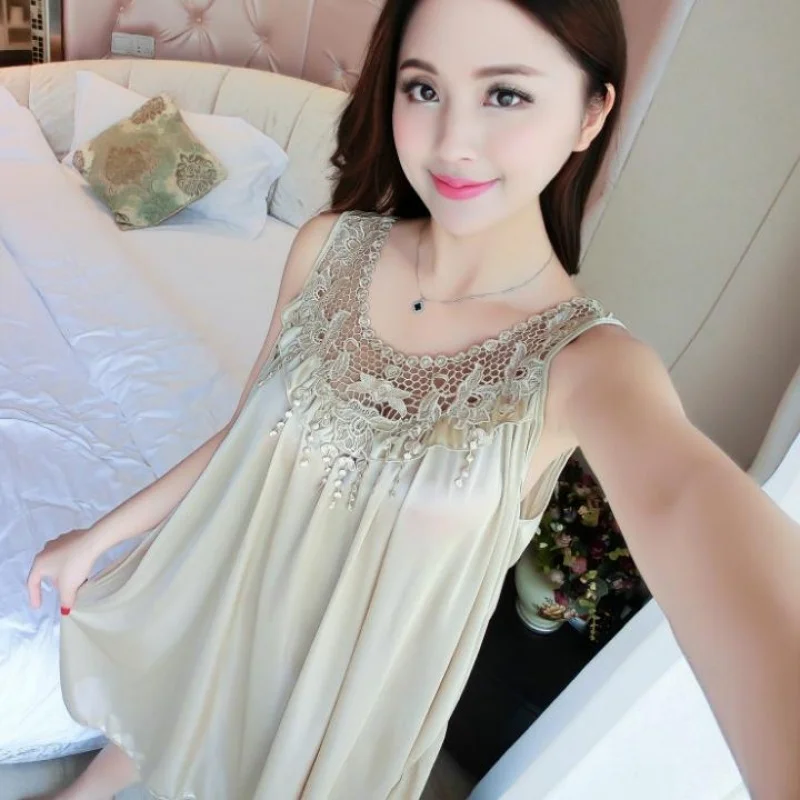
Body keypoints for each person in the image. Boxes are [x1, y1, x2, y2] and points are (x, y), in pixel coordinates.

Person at [26, 0, 800, 797]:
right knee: (187, 691)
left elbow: (689, 503)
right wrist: (100, 537)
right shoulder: (327, 247)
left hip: (335, 717)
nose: (452, 140)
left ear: (591, 114)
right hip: (238, 608)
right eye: (424, 89)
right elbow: (246, 435)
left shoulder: (588, 368)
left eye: (506, 94)